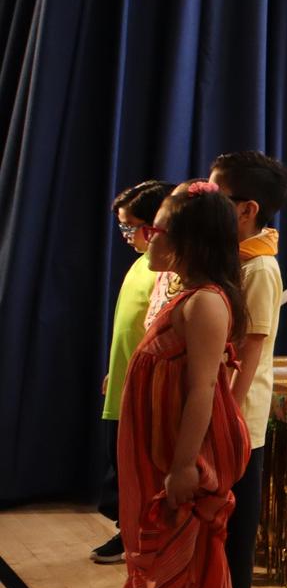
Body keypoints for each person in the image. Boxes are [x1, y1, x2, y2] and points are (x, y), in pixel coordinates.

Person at [104, 183, 251, 588]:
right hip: (172, 448)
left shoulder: (208, 301)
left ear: (189, 238)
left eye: (159, 227)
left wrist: (187, 462)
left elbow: (201, 391)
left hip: (196, 449)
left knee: (203, 552)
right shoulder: (183, 293)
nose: (149, 236)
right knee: (184, 555)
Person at [155, 150, 287, 588]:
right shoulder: (231, 262)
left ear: (247, 209)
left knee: (232, 525)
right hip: (221, 414)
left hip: (238, 419)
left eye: (217, 195)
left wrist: (224, 418)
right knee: (210, 523)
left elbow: (251, 348)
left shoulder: (260, 268)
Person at [93, 179, 174, 565]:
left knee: (139, 468)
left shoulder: (166, 269)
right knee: (120, 461)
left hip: (144, 388)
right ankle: (127, 529)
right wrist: (114, 371)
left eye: (131, 227)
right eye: (122, 227)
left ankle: (140, 534)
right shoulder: (143, 263)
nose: (126, 235)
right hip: (122, 382)